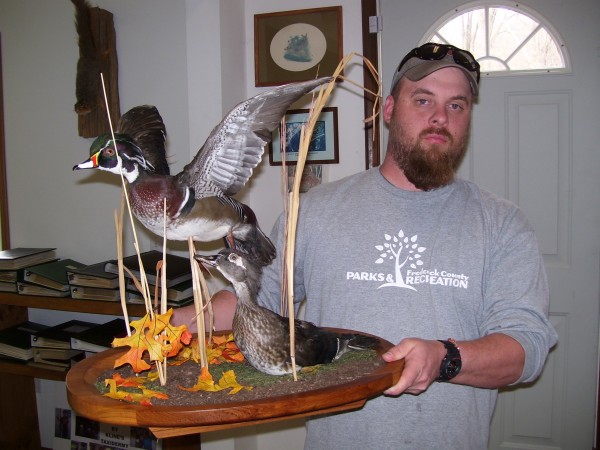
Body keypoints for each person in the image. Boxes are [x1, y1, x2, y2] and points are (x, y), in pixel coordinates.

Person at [175, 43, 557, 449]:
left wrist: (444, 358)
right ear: (389, 109)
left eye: (457, 106)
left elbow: (525, 348)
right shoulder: (312, 211)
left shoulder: (502, 224)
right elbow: (259, 299)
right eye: (423, 99)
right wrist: (187, 319)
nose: (439, 118)